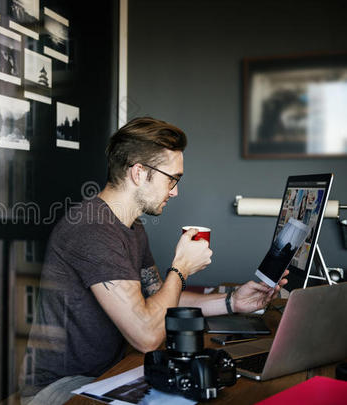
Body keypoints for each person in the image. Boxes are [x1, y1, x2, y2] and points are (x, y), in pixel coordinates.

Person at [19, 117, 288, 405]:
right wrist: (181, 268)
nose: (175, 191)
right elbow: (147, 334)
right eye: (172, 178)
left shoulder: (133, 227)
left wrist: (233, 301)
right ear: (139, 172)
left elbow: (161, 302)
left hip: (107, 373)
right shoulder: (91, 229)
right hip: (61, 387)